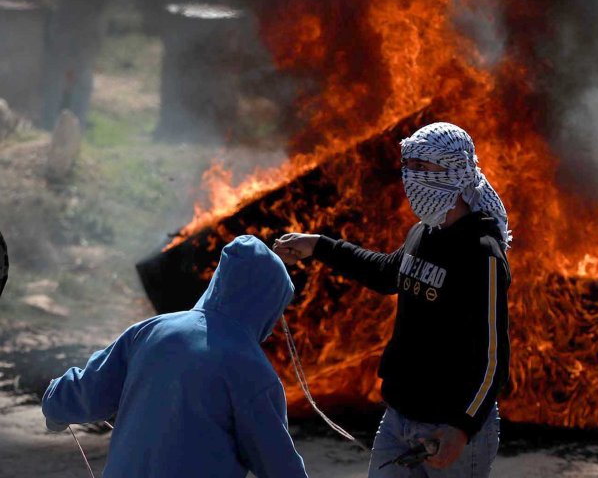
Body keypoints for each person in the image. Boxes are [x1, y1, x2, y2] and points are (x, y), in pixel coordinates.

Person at [274, 122, 511, 477]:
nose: (411, 177)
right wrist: (319, 246)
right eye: (408, 166)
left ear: (454, 171)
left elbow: (493, 358)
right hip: (399, 417)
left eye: (422, 166)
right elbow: (386, 273)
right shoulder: (423, 233)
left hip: (449, 428)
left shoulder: (482, 253)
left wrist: (462, 427)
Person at [41, 235, 308, 478]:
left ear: (219, 282)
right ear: (268, 304)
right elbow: (279, 465)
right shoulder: (254, 371)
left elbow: (87, 392)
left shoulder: (151, 330)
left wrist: (55, 406)